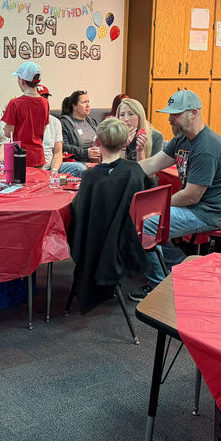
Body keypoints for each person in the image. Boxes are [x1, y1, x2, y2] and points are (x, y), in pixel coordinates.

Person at [133, 89, 221, 300]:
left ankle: (158, 284)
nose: (171, 119)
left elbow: (191, 196)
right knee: (142, 216)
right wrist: (119, 171)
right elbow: (152, 164)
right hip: (194, 206)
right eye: (170, 114)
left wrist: (152, 205)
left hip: (207, 213)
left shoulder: (207, 147)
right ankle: (177, 262)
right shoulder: (182, 139)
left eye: (176, 114)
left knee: (148, 222)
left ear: (194, 113)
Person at [68, 117, 150, 313]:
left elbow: (80, 213)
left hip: (98, 242)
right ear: (125, 143)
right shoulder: (135, 170)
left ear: (97, 142)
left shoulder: (91, 177)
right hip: (128, 240)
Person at [2, 61, 49, 168]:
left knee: (20, 184)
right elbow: (43, 128)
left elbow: (8, 133)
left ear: (22, 80)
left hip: (20, 154)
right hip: (38, 155)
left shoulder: (14, 103)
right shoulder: (45, 102)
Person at [37, 83, 85, 176]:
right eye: (40, 98)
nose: (44, 101)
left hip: (52, 166)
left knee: (79, 168)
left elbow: (58, 152)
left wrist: (53, 172)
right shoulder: (26, 119)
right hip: (33, 168)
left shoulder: (55, 122)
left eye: (46, 97)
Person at [60, 89, 101, 164]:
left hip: (98, 160)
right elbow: (63, 147)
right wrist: (85, 153)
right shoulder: (64, 123)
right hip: (78, 162)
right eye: (84, 102)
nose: (88, 105)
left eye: (88, 102)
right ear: (74, 106)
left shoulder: (92, 122)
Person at [116, 97, 164, 162]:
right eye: (122, 115)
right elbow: (114, 169)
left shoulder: (155, 137)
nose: (126, 119)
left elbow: (149, 170)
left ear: (140, 116)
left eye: (131, 114)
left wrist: (140, 151)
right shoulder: (113, 135)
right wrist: (122, 146)